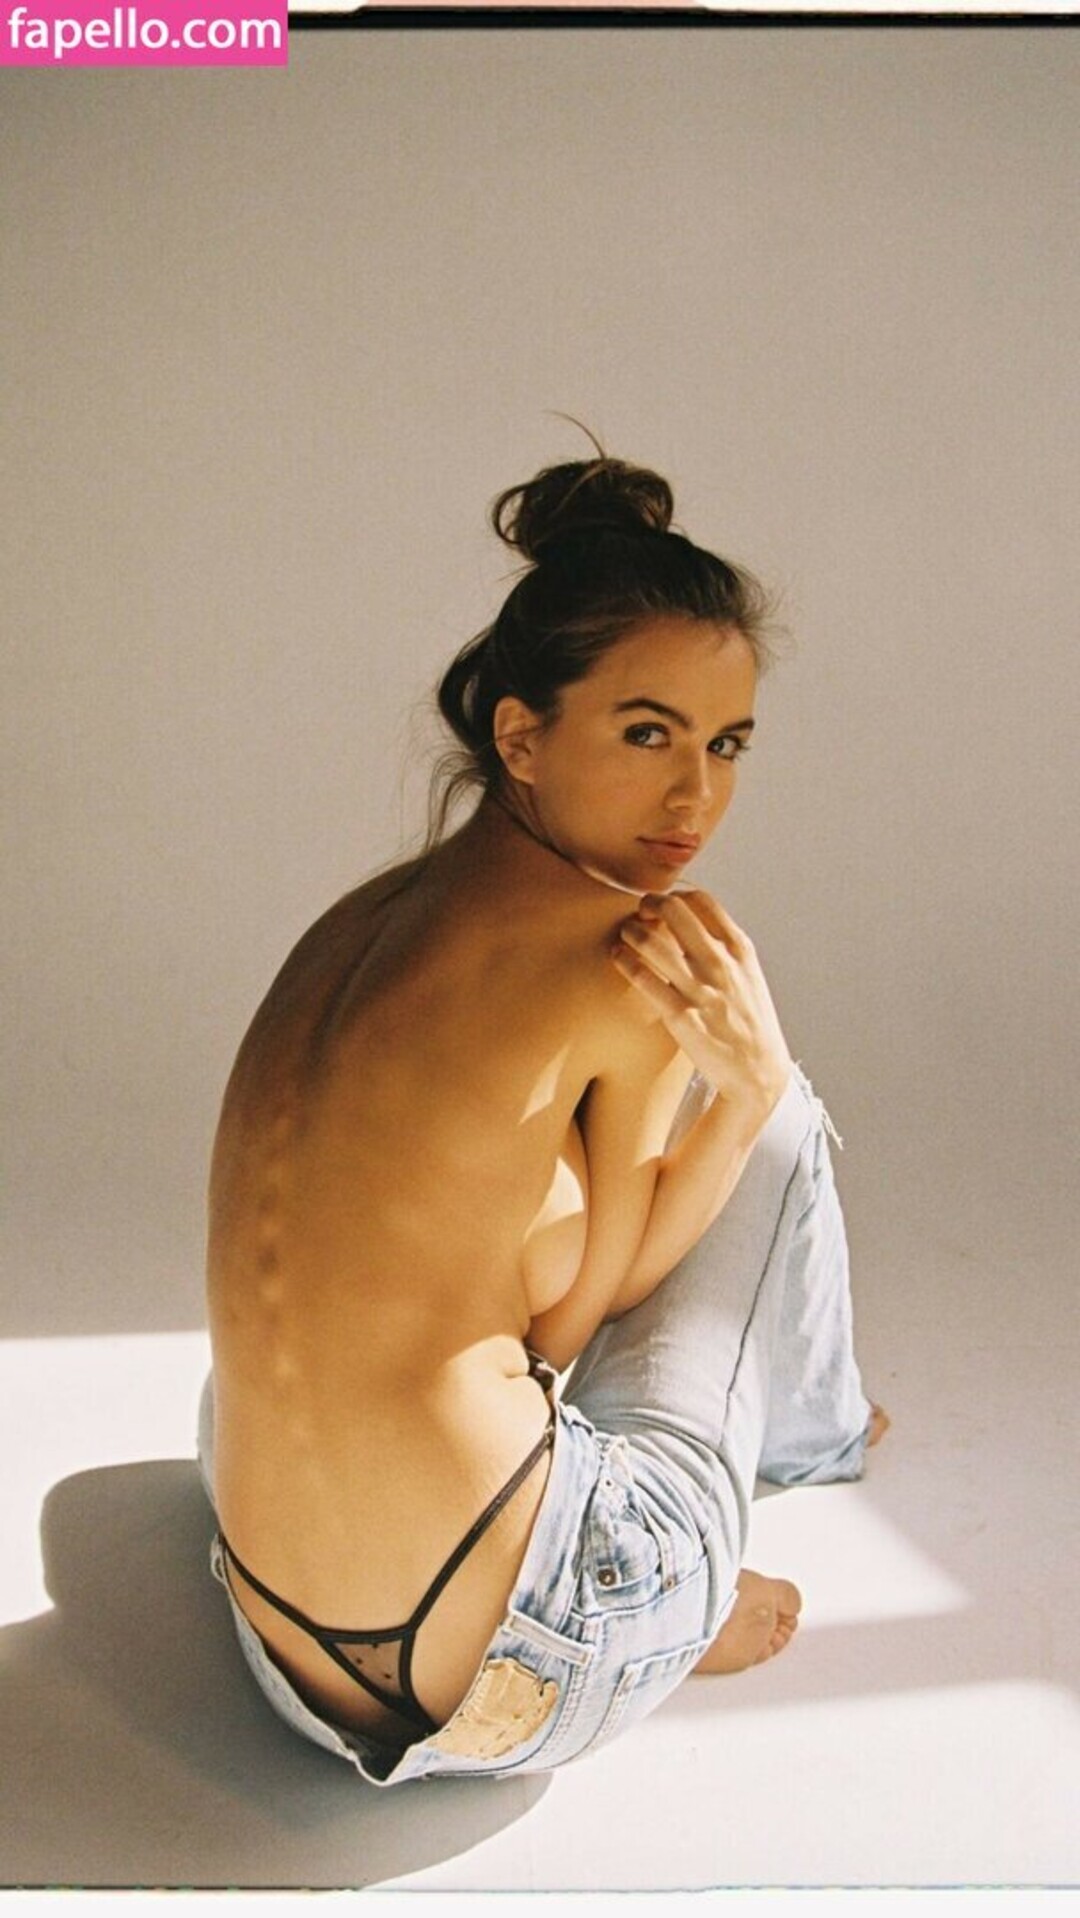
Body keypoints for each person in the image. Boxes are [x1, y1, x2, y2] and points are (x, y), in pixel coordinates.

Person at [197, 442, 888, 1785]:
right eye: (647, 734)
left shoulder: (353, 926)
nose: (695, 797)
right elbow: (566, 1334)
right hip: (534, 1659)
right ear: (521, 736)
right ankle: (812, 1443)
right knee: (780, 1111)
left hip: (276, 1649)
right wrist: (745, 1089)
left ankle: (783, 1450)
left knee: (275, 1364)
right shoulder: (629, 954)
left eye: (725, 745)